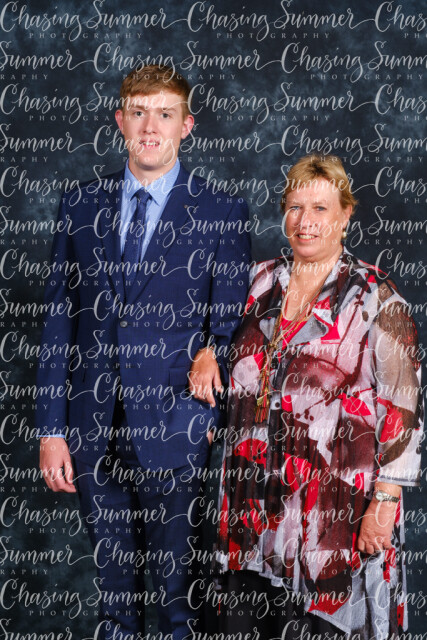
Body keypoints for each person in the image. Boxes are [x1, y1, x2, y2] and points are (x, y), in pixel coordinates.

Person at [36, 65, 251, 640]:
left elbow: (234, 320)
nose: (150, 126)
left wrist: (211, 358)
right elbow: (59, 321)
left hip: (176, 427)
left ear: (186, 126)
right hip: (92, 428)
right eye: (138, 112)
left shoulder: (221, 210)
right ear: (120, 121)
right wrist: (51, 429)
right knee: (115, 602)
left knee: (180, 601)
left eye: (164, 114)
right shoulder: (80, 204)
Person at [214, 154, 423, 640]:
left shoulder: (376, 297)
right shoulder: (257, 282)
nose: (304, 221)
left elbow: (405, 411)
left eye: (320, 208)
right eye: (294, 207)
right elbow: (216, 342)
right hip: (251, 509)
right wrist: (206, 352)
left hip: (336, 515)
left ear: (346, 215)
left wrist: (385, 502)